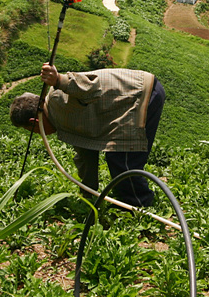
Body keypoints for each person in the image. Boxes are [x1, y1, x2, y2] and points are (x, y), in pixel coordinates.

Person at [10, 63, 165, 207]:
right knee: (118, 157)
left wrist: (59, 80)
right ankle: (130, 203)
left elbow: (90, 88)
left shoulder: (57, 99)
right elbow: (86, 153)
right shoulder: (60, 120)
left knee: (122, 160)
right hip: (129, 101)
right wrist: (88, 194)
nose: (38, 134)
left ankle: (140, 206)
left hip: (140, 94)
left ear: (34, 122)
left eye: (32, 130)